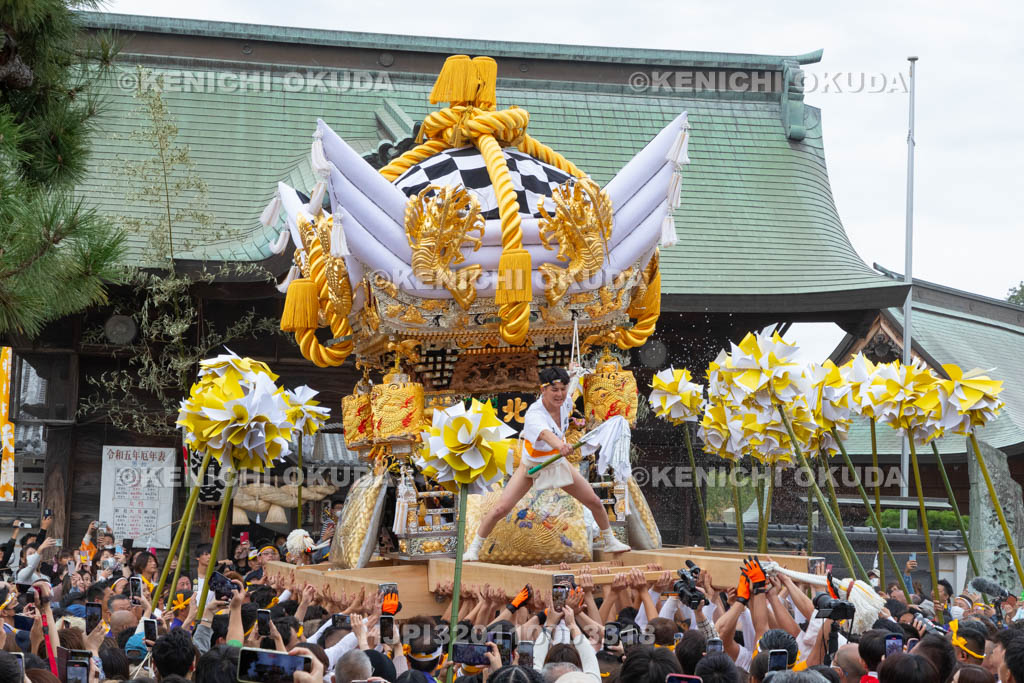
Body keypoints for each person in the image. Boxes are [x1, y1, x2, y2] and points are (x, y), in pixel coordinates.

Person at [463, 366, 631, 561]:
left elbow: (572, 388)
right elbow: (544, 433)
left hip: (557, 463)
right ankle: (473, 549)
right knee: (501, 508)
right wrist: (561, 445)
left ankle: (610, 540)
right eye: (554, 390)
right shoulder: (535, 414)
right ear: (543, 390)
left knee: (594, 501)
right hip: (532, 467)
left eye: (562, 389)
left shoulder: (565, 402)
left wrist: (573, 374)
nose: (560, 394)